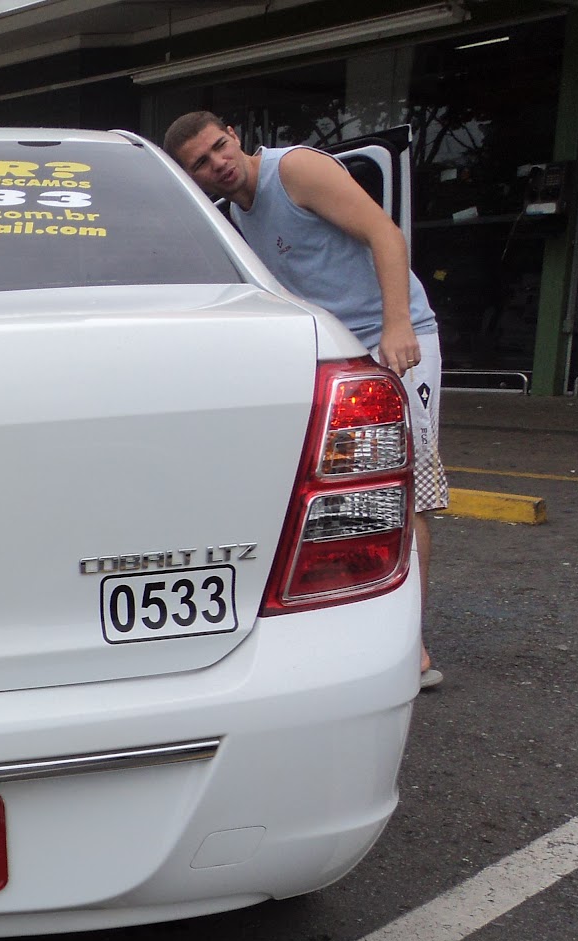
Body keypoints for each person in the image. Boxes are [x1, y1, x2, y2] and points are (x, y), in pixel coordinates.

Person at [165, 112, 447, 691]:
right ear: (192, 177)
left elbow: (385, 233)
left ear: (234, 136)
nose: (218, 163)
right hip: (339, 355)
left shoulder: (294, 170)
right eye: (201, 163)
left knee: (404, 496)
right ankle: (363, 628)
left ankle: (412, 649)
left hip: (392, 341)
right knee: (348, 497)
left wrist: (397, 324)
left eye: (219, 147)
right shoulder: (235, 219)